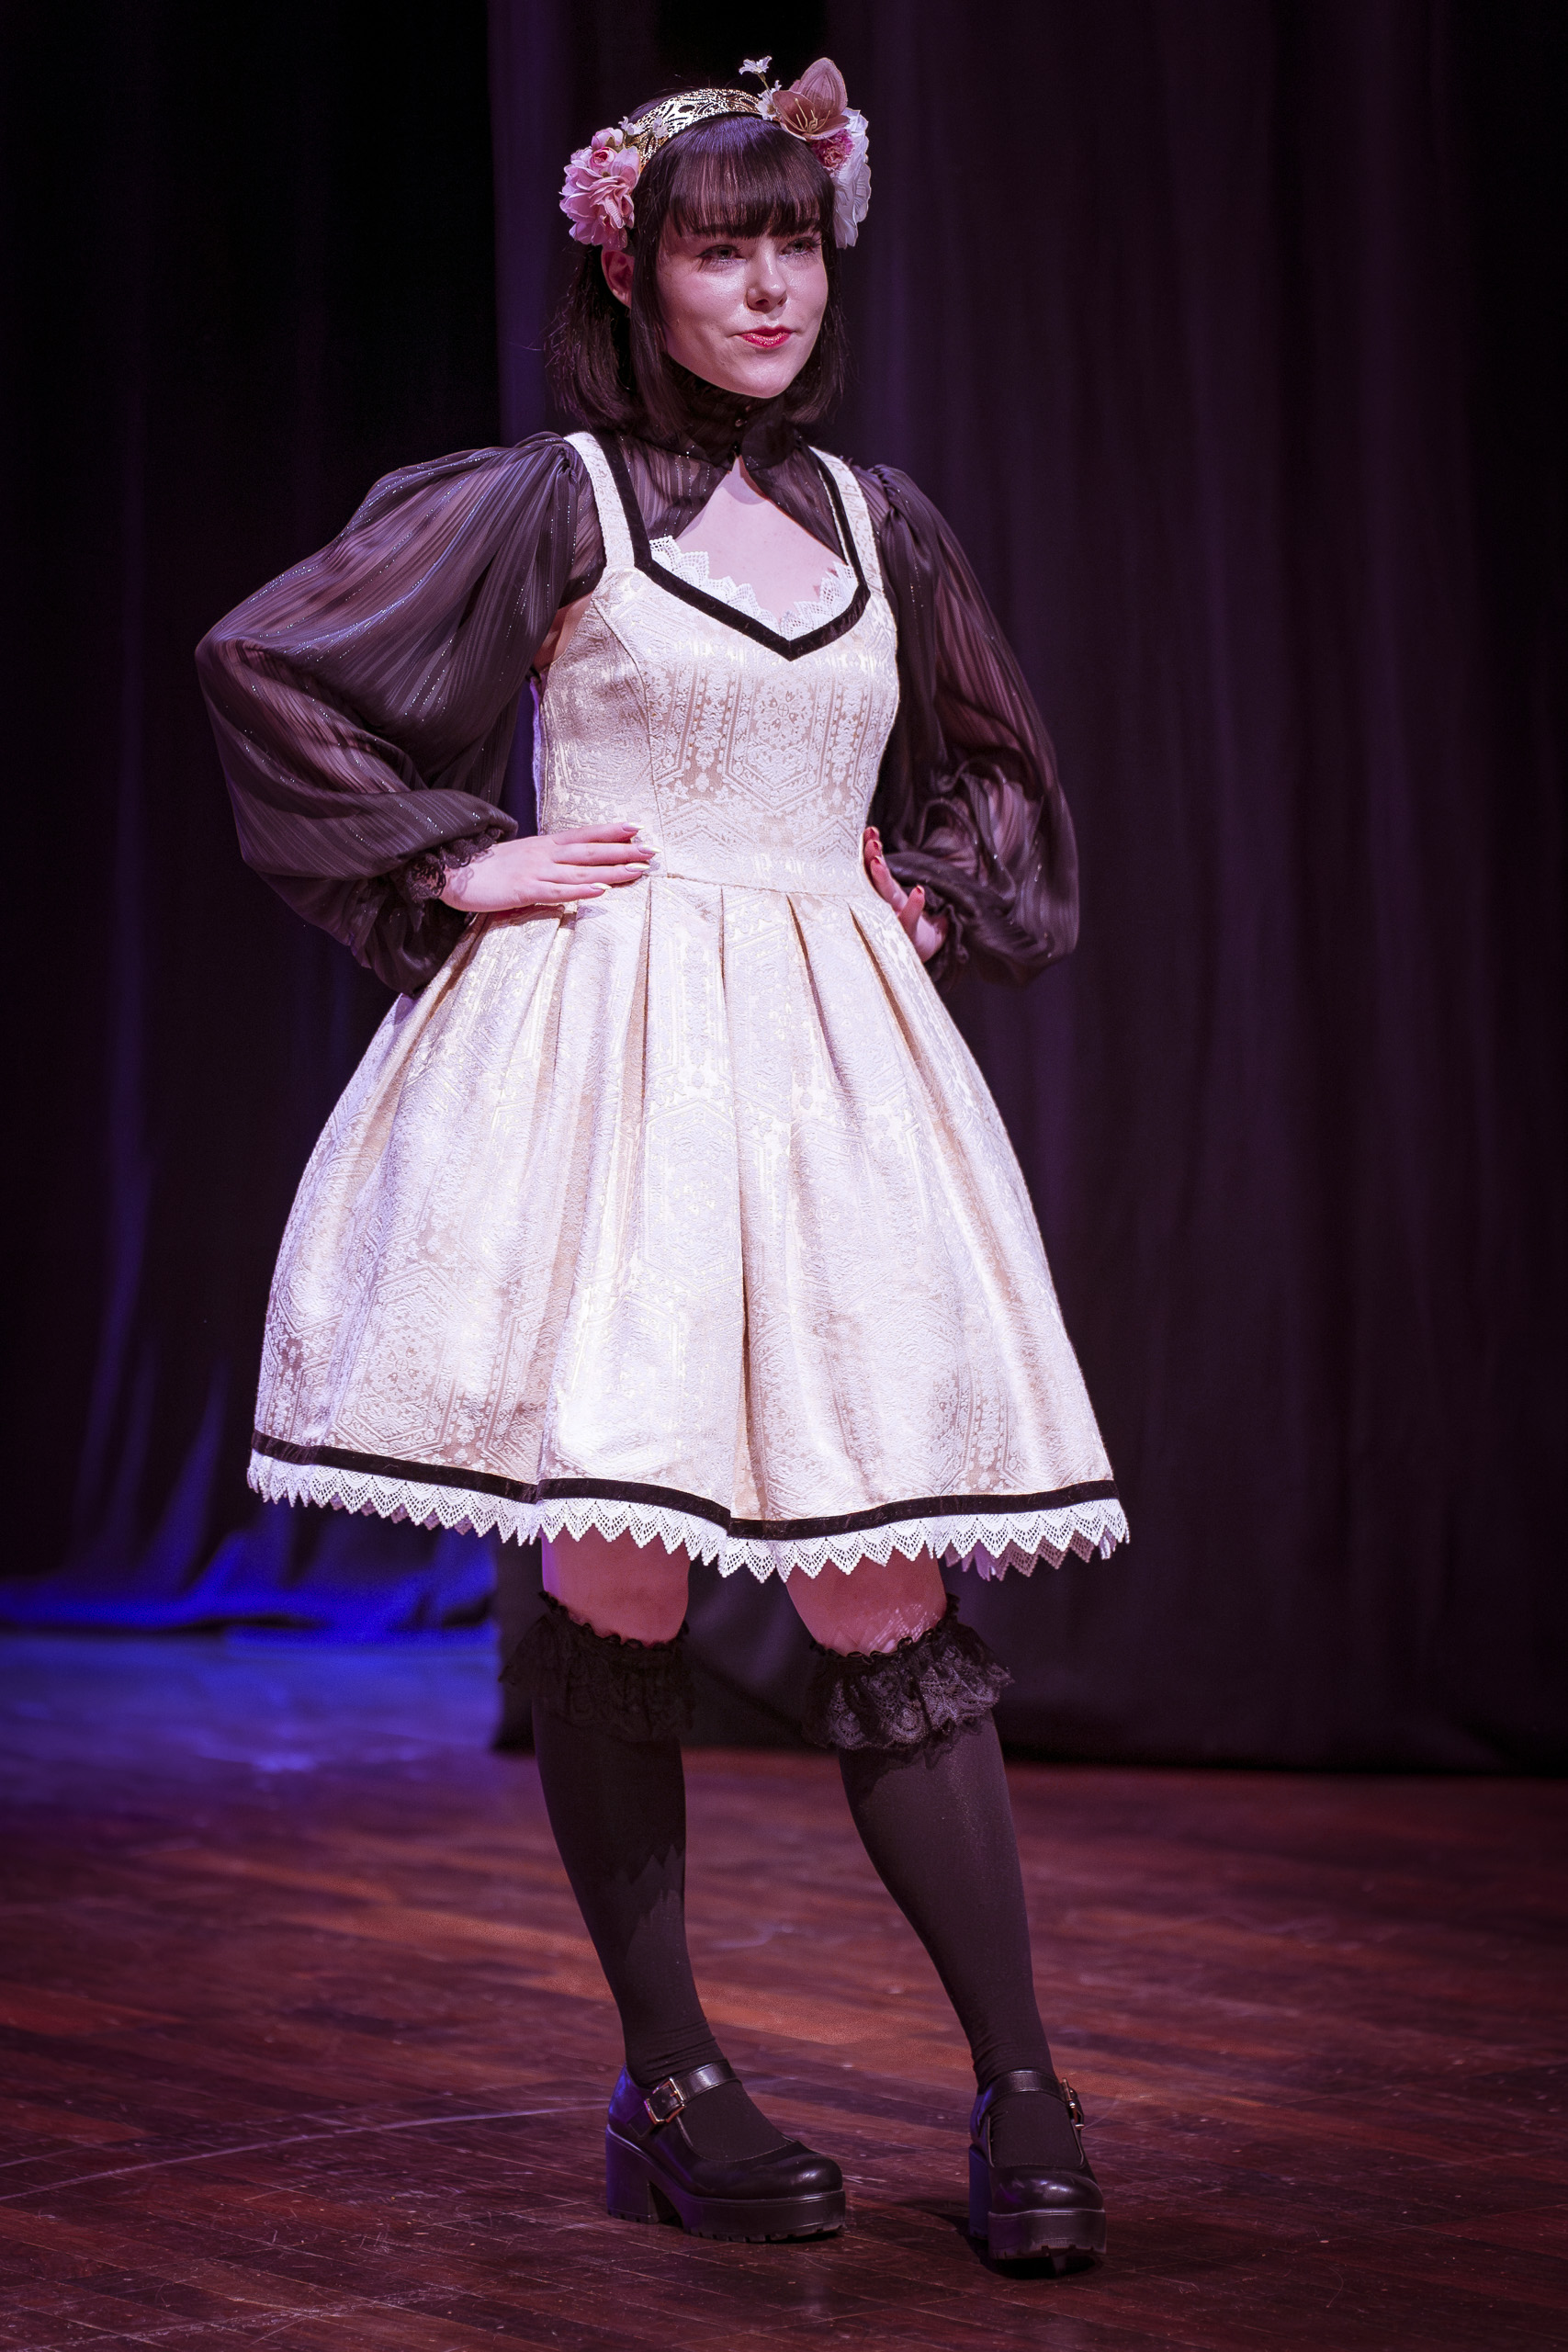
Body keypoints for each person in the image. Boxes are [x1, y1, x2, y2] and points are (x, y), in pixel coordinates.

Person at [197, 57, 1126, 2267]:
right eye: (723, 245)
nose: (769, 284)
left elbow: (994, 773)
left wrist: (924, 891)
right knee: (617, 1569)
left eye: (794, 239)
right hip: (611, 1072)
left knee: (879, 1577)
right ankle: (676, 2076)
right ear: (636, 271)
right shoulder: (558, 504)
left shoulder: (880, 522)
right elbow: (271, 662)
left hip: (826, 1085)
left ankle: (1021, 2078)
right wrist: (460, 858)